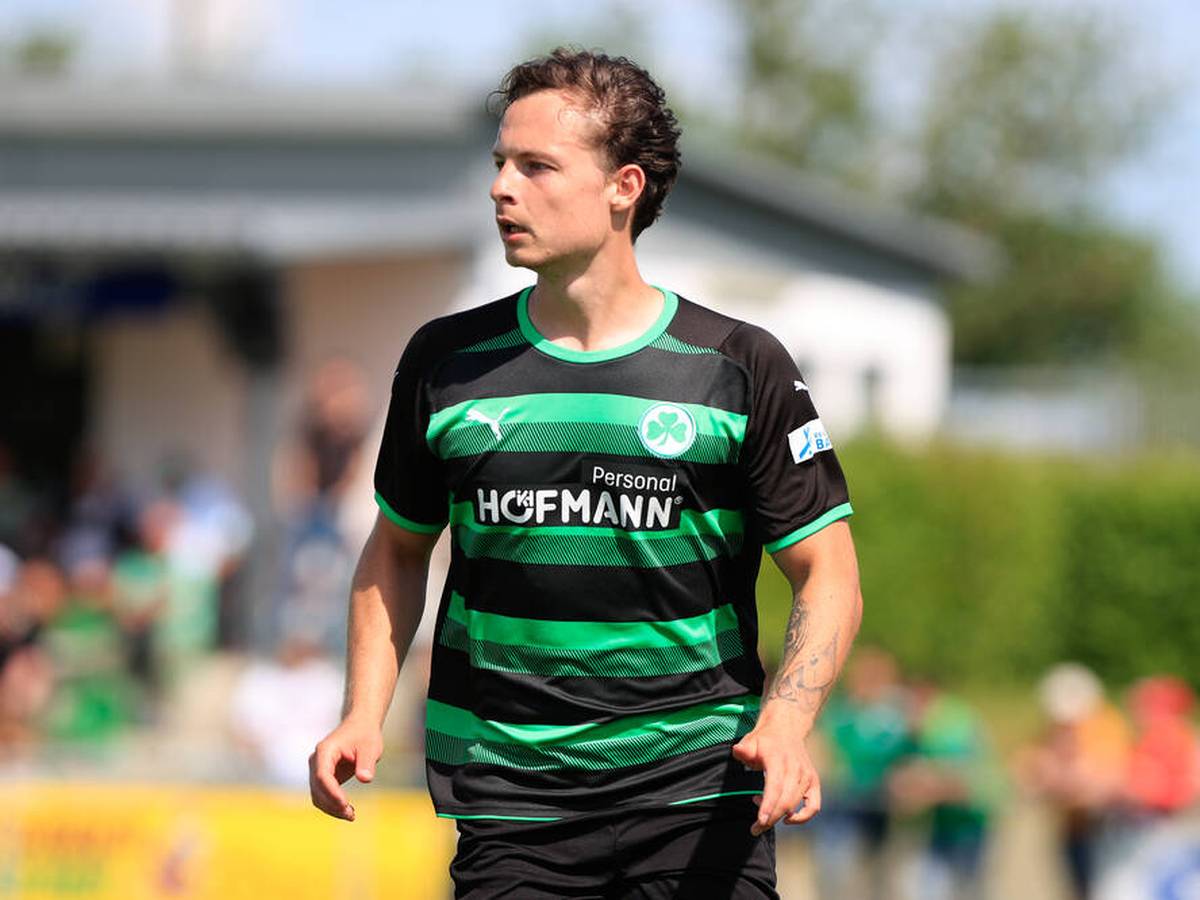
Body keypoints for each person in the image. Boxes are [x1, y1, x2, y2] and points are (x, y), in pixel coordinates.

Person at [309, 47, 863, 898]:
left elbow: (828, 572)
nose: (502, 188)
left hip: (697, 792)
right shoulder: (445, 362)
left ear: (623, 187)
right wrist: (361, 711)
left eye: (536, 166)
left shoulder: (737, 365)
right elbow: (396, 550)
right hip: (510, 801)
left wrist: (787, 724)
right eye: (500, 163)